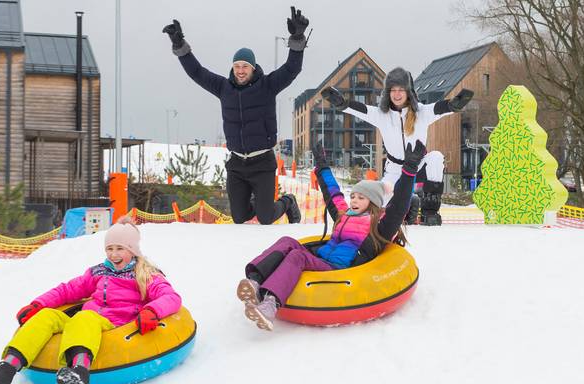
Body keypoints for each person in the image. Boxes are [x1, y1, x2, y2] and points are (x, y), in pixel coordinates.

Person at [0, 223, 182, 384]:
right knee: (47, 316)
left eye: (120, 248)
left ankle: (80, 375)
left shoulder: (145, 273)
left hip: (114, 324)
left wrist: (152, 311)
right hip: (84, 322)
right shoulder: (98, 272)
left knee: (85, 318)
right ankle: (3, 375)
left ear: (133, 250)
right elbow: (68, 290)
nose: (113, 254)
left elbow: (171, 297)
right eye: (109, 248)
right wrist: (38, 304)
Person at [236, 138, 426, 331]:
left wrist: (409, 170)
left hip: (340, 268)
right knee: (287, 241)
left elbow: (399, 204)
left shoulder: (378, 225)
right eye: (353, 196)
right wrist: (322, 165)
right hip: (322, 258)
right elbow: (333, 193)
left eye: (361, 197)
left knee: (296, 256)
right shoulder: (344, 215)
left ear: (374, 202)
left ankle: (270, 305)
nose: (354, 200)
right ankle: (255, 281)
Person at [162, 6, 310, 225]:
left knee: (266, 217)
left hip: (262, 162)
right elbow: (197, 72)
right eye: (237, 66)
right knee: (239, 217)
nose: (241, 70)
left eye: (245, 66)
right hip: (237, 164)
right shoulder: (223, 88)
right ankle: (260, 205)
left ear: (253, 68)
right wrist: (179, 46)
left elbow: (291, 69)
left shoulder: (267, 85)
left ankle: (288, 201)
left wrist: (297, 39)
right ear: (233, 67)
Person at [321, 67, 474, 225]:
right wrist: (342, 103)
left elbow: (439, 109)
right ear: (388, 93)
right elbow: (361, 110)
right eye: (393, 90)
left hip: (419, 164)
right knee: (380, 204)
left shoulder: (421, 112)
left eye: (401, 89)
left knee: (436, 158)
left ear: (409, 91)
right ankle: (409, 206)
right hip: (395, 169)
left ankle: (430, 212)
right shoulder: (382, 115)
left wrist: (454, 104)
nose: (397, 94)